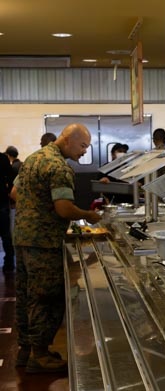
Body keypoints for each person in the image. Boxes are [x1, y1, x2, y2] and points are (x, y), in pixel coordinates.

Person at [12, 123, 101, 373]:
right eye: (83, 145)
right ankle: (40, 356)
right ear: (68, 139)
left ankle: (25, 350)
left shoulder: (33, 158)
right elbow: (63, 209)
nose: (84, 151)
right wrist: (88, 215)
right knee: (46, 297)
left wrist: (37, 209)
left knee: (27, 295)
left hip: (23, 238)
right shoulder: (59, 167)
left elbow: (14, 193)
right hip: (45, 243)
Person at [0, 152, 15, 273]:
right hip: (1, 200)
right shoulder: (3, 158)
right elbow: (11, 178)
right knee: (5, 233)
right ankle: (9, 262)